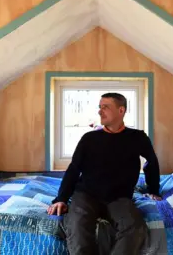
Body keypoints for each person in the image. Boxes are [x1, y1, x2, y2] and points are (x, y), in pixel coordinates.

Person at [47, 92, 162, 255]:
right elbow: (74, 169)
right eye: (100, 107)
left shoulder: (137, 137)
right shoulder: (89, 138)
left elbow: (151, 161)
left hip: (119, 197)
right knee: (77, 226)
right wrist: (61, 199)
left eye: (105, 107)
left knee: (135, 228)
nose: (100, 112)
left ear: (121, 110)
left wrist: (153, 190)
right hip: (86, 194)